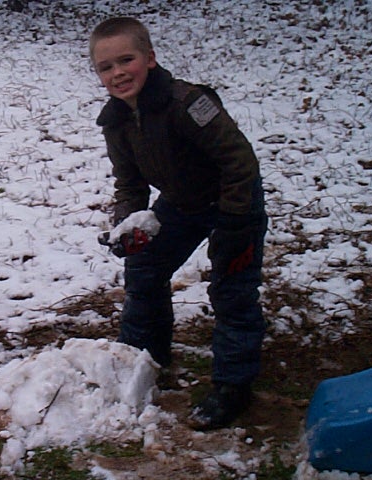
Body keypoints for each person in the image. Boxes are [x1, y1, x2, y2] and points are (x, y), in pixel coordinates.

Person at [90, 17, 269, 430]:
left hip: (234, 202)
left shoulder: (187, 103)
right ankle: (142, 357)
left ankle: (233, 386)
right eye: (106, 67)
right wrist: (126, 225)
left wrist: (235, 223)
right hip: (181, 203)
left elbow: (239, 161)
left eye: (127, 60)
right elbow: (129, 183)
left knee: (231, 290)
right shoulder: (116, 121)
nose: (118, 73)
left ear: (150, 59)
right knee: (143, 267)